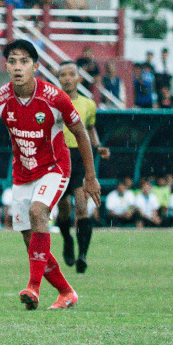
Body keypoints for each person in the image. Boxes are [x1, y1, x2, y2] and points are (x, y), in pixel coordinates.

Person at [0, 39, 99, 311]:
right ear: (6, 67)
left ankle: (33, 288)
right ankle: (66, 292)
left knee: (38, 213)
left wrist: (90, 176)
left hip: (55, 167)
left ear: (35, 66)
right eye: (12, 62)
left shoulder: (55, 98)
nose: (17, 67)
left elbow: (81, 134)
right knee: (30, 238)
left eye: (24, 61)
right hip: (23, 172)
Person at [55, 62, 110, 273]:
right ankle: (67, 239)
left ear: (79, 78)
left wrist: (98, 147)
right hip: (58, 157)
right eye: (63, 75)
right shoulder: (53, 102)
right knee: (63, 209)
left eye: (71, 74)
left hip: (79, 157)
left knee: (81, 207)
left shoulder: (88, 104)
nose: (67, 78)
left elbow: (89, 129)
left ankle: (83, 255)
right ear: (58, 79)